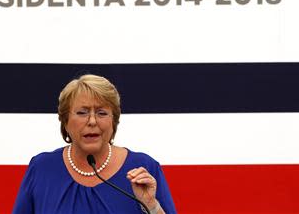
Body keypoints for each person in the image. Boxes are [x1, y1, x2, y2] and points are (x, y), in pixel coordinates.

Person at [12, 74, 177, 214]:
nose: (92, 121)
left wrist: (151, 206)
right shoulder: (42, 168)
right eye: (82, 113)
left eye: (101, 113)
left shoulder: (143, 167)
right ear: (65, 121)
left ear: (114, 121)